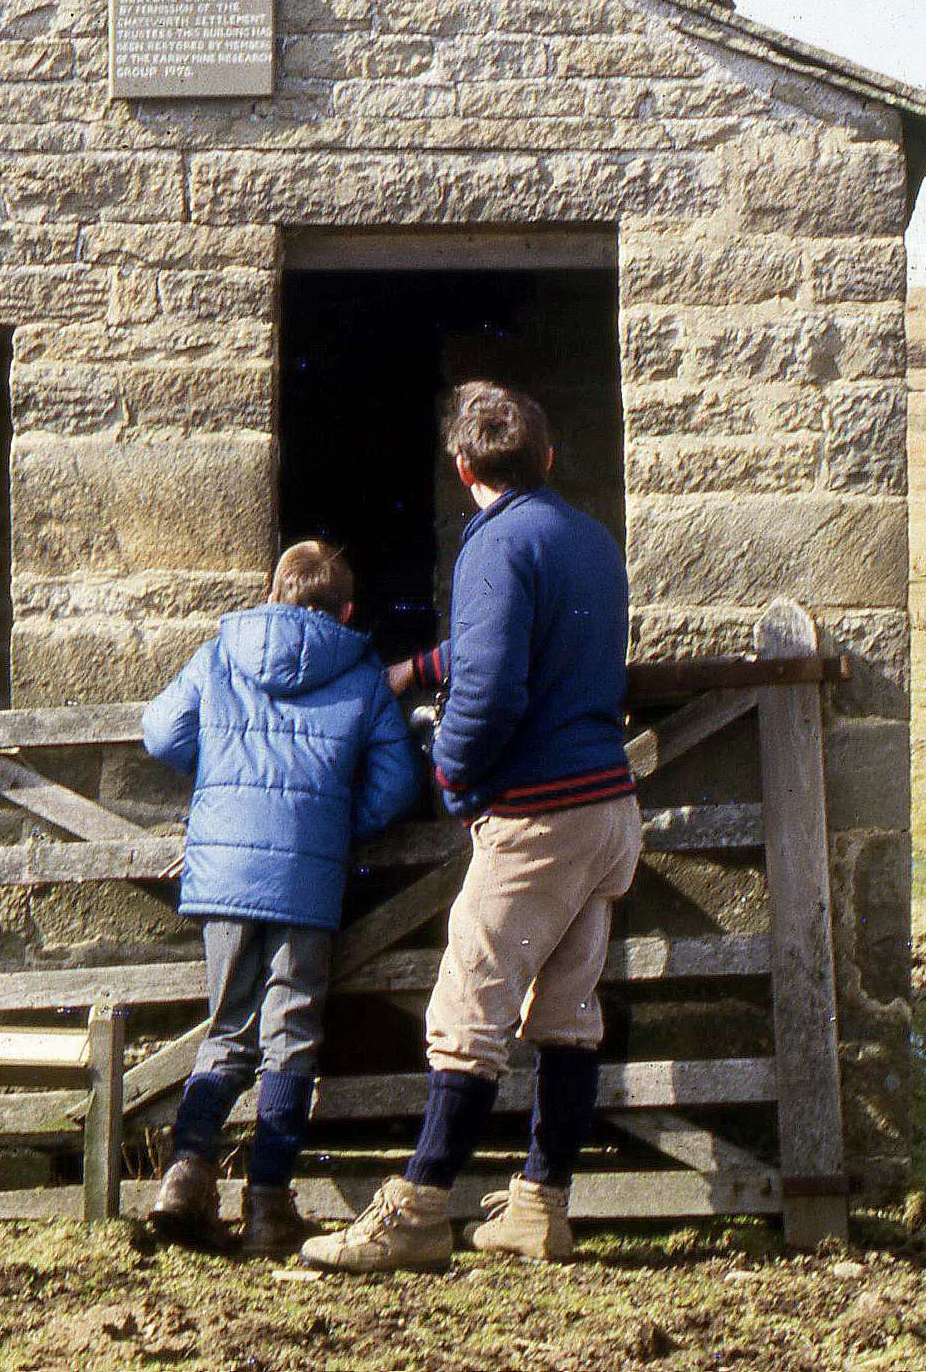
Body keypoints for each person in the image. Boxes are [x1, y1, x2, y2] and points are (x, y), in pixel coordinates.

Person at [299, 382, 638, 1274]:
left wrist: (449, 772)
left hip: (540, 811)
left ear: (461, 469)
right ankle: (538, 1207)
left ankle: (415, 1211)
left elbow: (489, 687)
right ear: (548, 459)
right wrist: (421, 666)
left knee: (467, 1009)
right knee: (567, 1012)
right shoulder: (589, 538)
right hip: (608, 805)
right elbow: (526, 636)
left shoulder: (492, 546)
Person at [138, 539, 421, 1257]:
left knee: (228, 1029)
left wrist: (221, 791)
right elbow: (396, 783)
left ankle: (184, 1176)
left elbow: (161, 732)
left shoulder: (221, 652)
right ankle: (268, 1207)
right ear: (347, 609)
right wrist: (324, 820)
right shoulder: (359, 674)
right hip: (306, 880)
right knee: (290, 1035)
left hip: (224, 872)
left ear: (272, 590)